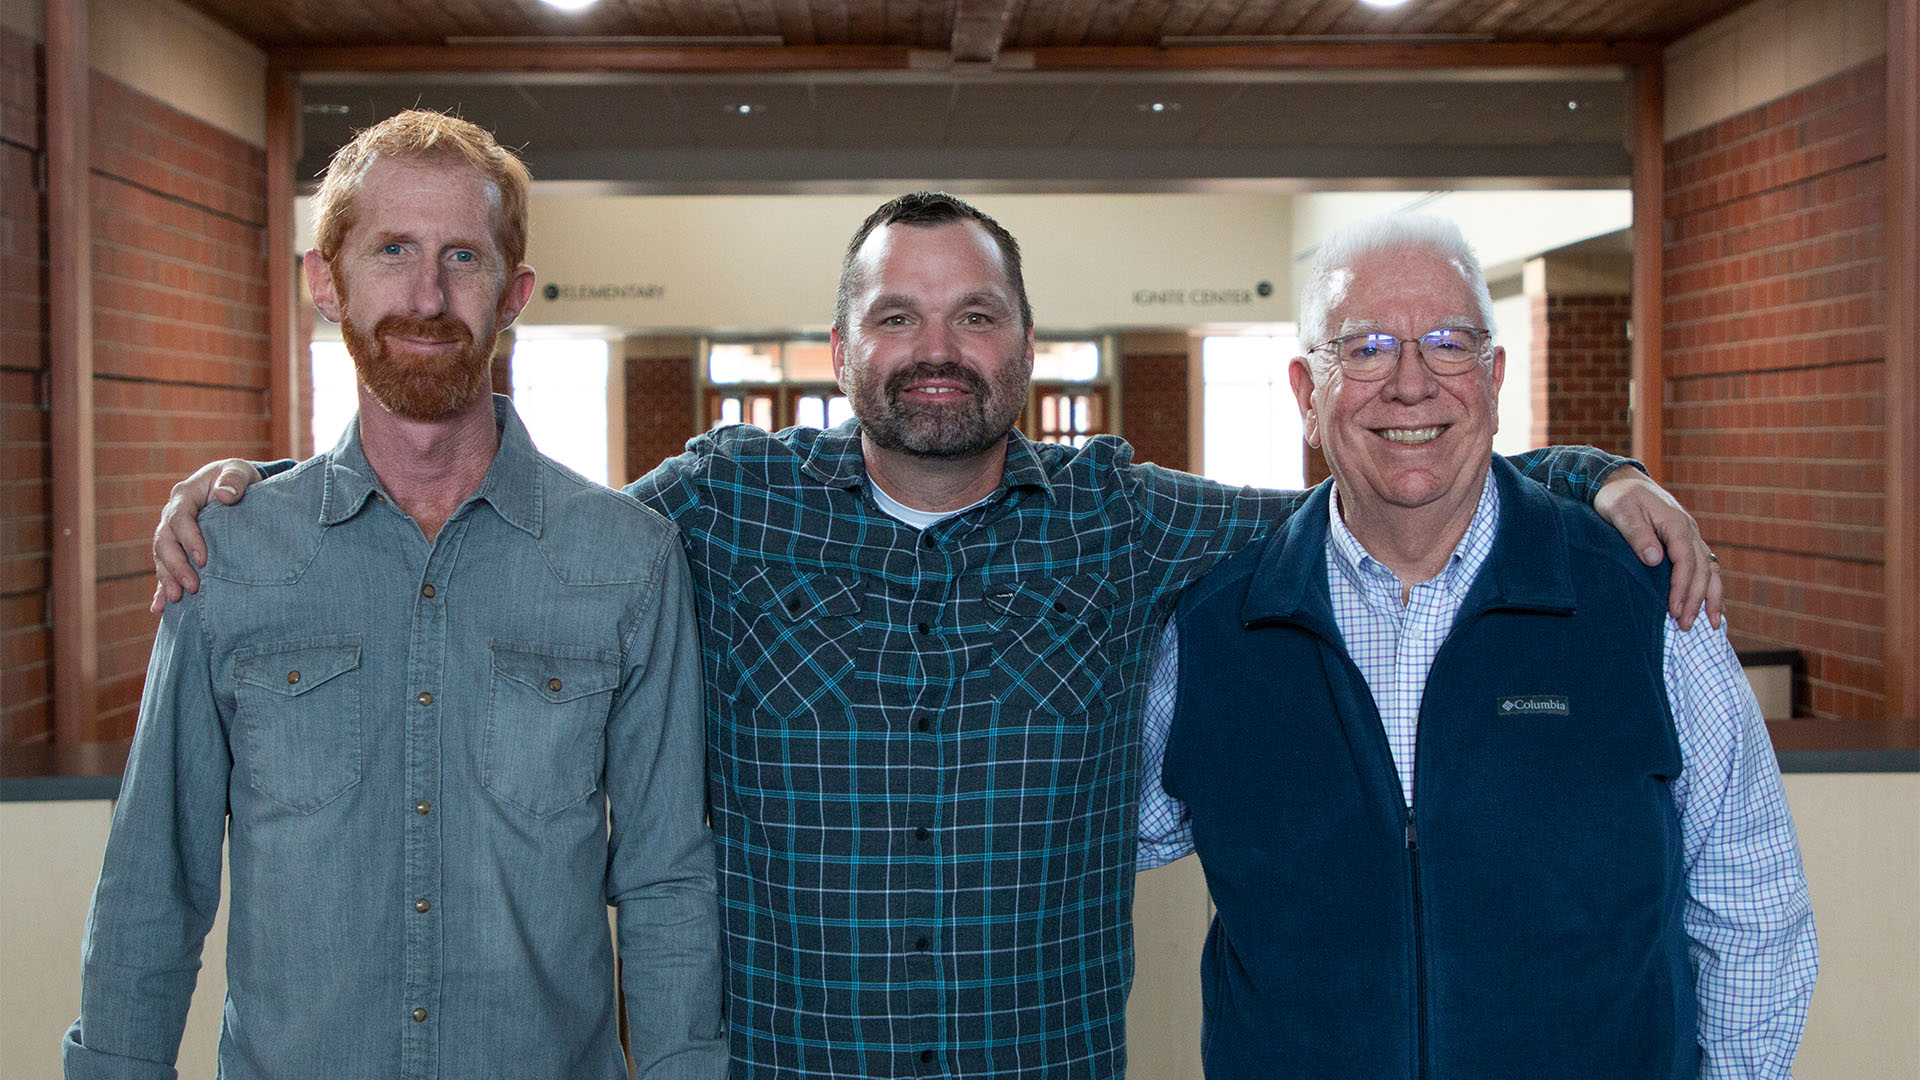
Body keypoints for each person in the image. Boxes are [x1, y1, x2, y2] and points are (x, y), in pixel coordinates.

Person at [149, 192, 1720, 1079]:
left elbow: (1388, 476)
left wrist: (1591, 476)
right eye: (896, 315)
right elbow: (505, 527)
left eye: (975, 314)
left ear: (1025, 342)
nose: (936, 348)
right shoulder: (723, 505)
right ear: (841, 345)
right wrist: (276, 495)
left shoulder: (1121, 518)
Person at [67, 111, 726, 1080]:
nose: (427, 296)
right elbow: (151, 884)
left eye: (463, 256)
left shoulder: (628, 562)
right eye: (392, 250)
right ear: (325, 283)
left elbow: (668, 883)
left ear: (513, 295)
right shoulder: (229, 556)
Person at [1137, 214, 1815, 1079]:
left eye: (1448, 344)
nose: (1411, 385)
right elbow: (1104, 836)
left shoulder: (1640, 602)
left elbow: (1753, 901)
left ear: (1493, 380)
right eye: (1366, 348)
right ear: (1308, 394)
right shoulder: (1214, 633)